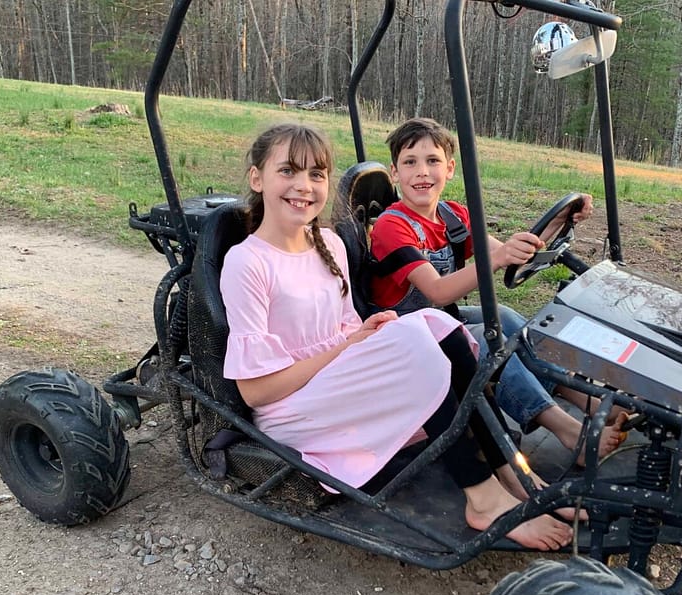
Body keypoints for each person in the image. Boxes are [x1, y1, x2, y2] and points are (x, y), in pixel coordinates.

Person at [219, 122, 576, 550]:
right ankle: (482, 500)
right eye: (288, 171)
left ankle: (514, 473)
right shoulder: (247, 263)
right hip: (292, 409)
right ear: (257, 178)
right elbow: (256, 392)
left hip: (333, 382)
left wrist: (365, 334)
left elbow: (345, 328)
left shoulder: (328, 244)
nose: (304, 186)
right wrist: (350, 347)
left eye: (316, 174)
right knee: (416, 347)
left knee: (442, 330)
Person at [369, 117, 626, 464]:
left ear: (450, 169)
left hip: (438, 321)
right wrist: (500, 257)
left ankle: (588, 403)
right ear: (395, 173)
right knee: (488, 342)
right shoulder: (391, 225)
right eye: (410, 163)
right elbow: (439, 291)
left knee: (506, 319)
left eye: (432, 162)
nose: (422, 172)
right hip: (401, 333)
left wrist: (556, 222)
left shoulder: (452, 215)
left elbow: (505, 254)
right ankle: (567, 431)